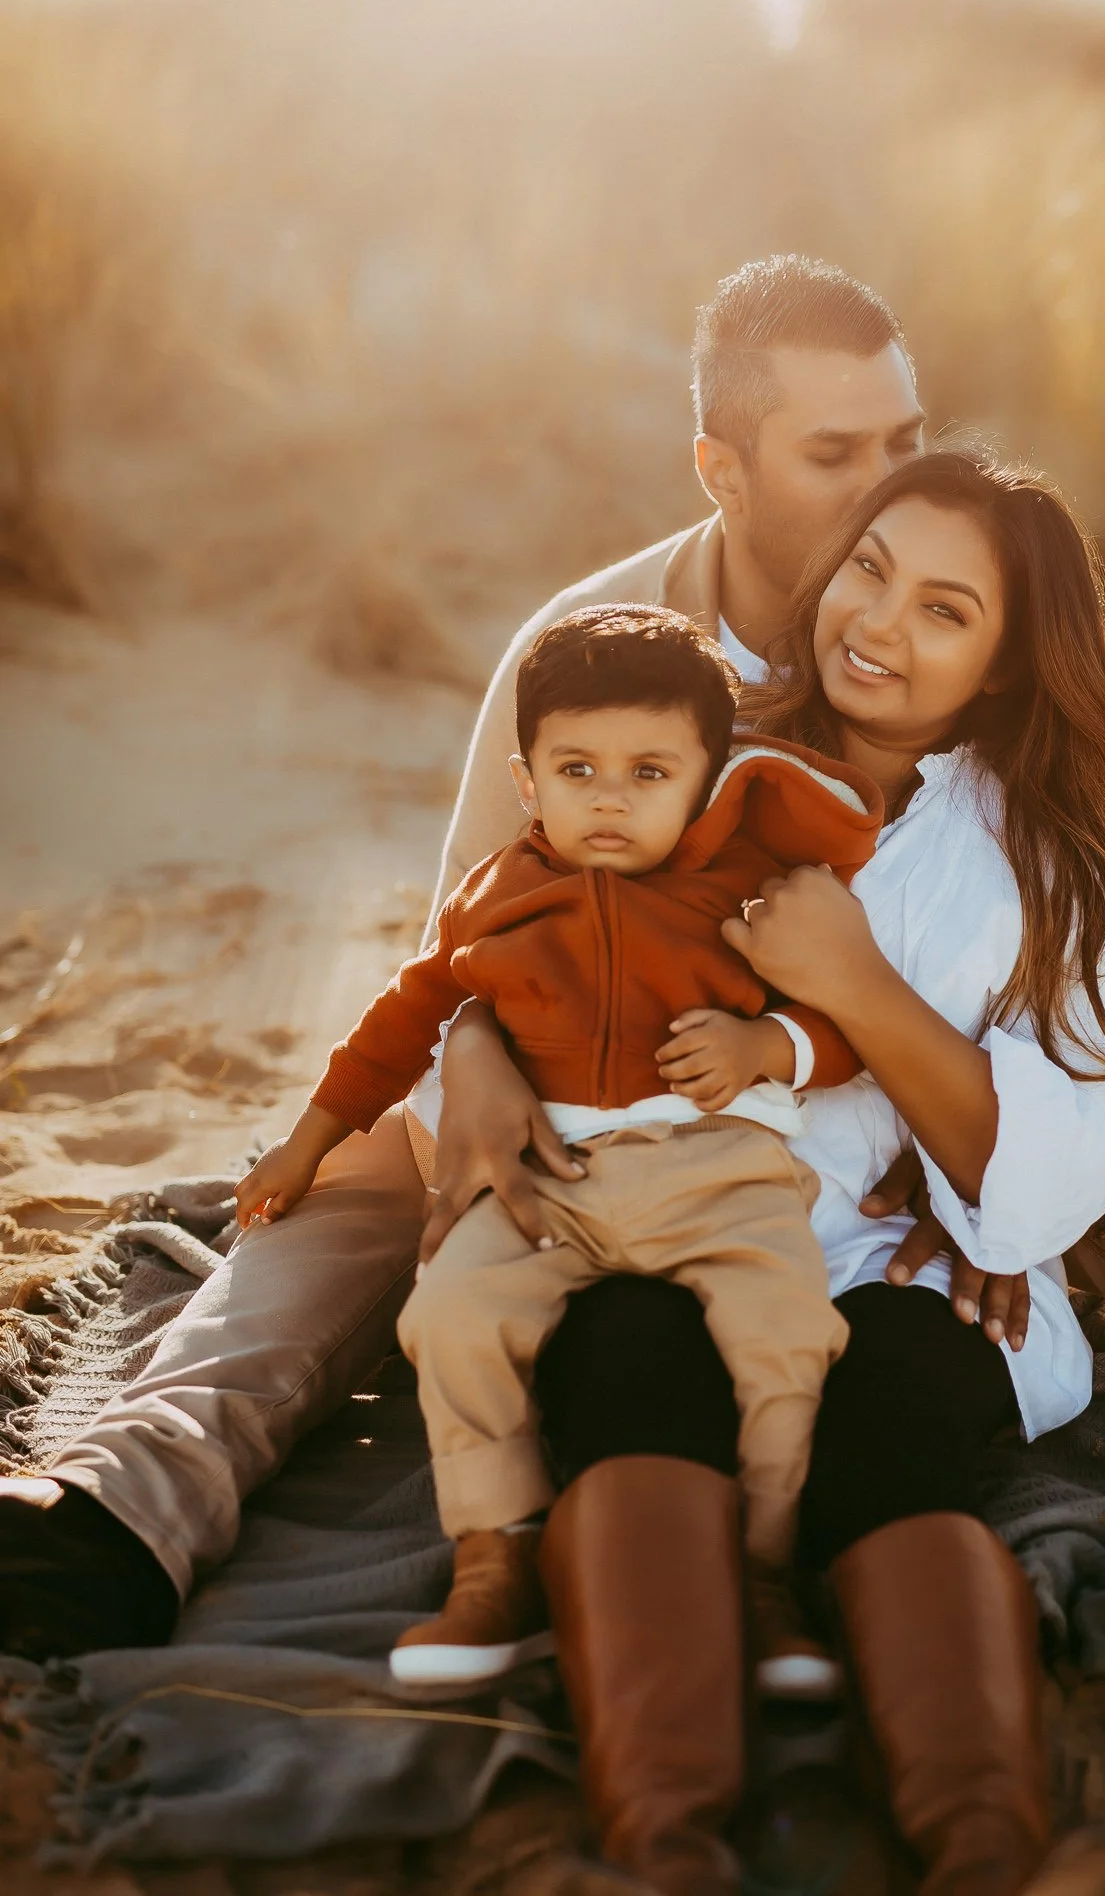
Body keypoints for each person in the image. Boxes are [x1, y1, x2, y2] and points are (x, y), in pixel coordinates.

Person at [1, 255, 1105, 1661]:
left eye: (904, 439)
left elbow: (1083, 974)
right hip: (640, 1082)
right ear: (723, 469)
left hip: (960, 1076)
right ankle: (129, 1503)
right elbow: (468, 941)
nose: (885, 483)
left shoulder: (964, 594)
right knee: (380, 1167)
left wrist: (988, 1195)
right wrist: (473, 1068)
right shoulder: (593, 651)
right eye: (835, 455)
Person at [441, 447, 1105, 1896]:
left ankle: (983, 1852)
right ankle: (665, 1848)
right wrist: (473, 1035)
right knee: (622, 1365)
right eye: (868, 567)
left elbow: (1046, 1182)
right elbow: (519, 927)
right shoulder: (697, 746)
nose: (879, 623)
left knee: (897, 1408)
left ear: (1002, 661)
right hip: (666, 1221)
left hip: (909, 1267)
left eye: (943, 609)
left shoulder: (1048, 862)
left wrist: (854, 988)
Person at [232, 604, 880, 1690]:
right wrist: (307, 1142)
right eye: (576, 768)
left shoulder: (747, 888)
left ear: (707, 777)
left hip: (716, 1170)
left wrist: (766, 1042)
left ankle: (764, 1569)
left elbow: (848, 1030)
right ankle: (497, 1555)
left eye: (648, 771)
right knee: (447, 1312)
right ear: (526, 780)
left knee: (789, 1332)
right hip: (548, 1179)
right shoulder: (494, 896)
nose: (611, 798)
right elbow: (395, 1028)